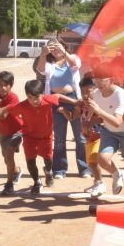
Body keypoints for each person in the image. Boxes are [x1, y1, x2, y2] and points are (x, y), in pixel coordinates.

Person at [0, 79, 76, 194]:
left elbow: (58, 96)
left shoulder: (48, 100)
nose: (34, 101)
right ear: (27, 96)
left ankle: (48, 172)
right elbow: (2, 110)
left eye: (37, 97)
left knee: (48, 161)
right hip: (29, 137)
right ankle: (37, 181)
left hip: (46, 137)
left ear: (42, 94)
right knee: (30, 161)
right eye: (30, 97)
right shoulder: (22, 105)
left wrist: (75, 102)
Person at [86, 70, 124, 204]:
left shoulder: (120, 94)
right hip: (108, 131)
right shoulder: (97, 94)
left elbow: (117, 122)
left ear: (111, 79)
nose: (98, 83)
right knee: (102, 159)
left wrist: (99, 112)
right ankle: (117, 173)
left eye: (101, 79)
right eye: (96, 79)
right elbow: (94, 108)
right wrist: (88, 117)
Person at [36, 39, 88, 179]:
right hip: (55, 101)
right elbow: (40, 70)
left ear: (64, 47)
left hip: (73, 100)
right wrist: (43, 54)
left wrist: (64, 52)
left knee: (80, 137)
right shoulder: (50, 65)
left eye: (58, 47)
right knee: (59, 138)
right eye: (53, 48)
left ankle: (84, 169)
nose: (56, 50)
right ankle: (59, 169)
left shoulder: (72, 59)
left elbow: (75, 63)